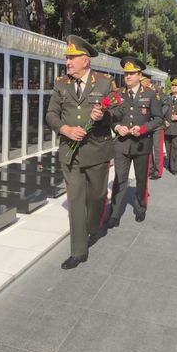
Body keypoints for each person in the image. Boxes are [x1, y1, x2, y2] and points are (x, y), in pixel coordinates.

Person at [46, 35, 117, 270]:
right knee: (75, 200)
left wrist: (103, 116)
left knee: (96, 197)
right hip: (70, 152)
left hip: (97, 151)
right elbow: (51, 114)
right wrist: (64, 129)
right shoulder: (61, 84)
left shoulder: (105, 83)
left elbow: (117, 113)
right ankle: (78, 250)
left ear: (85, 60)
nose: (67, 61)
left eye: (72, 58)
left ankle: (93, 226)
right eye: (67, 57)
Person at [108, 57, 163, 227]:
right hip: (122, 144)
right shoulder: (118, 94)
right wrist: (117, 127)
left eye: (132, 73)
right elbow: (111, 117)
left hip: (141, 143)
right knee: (120, 179)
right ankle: (115, 214)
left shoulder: (150, 94)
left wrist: (144, 128)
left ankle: (140, 208)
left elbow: (158, 118)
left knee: (141, 179)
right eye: (126, 74)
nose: (128, 76)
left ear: (140, 75)